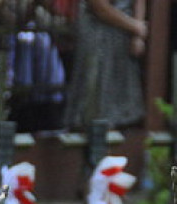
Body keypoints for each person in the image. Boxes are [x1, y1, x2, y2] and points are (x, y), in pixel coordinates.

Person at [63, 0, 147, 130]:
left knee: (122, 110)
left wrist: (138, 34)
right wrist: (135, 26)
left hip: (124, 43)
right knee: (93, 107)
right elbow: (99, 7)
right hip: (98, 37)